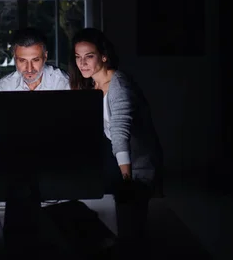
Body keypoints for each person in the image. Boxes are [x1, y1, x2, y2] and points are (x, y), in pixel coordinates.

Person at [69, 28, 163, 249]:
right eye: (77, 57)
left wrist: (126, 182)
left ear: (103, 56)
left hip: (136, 167)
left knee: (133, 234)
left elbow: (120, 133)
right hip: (113, 161)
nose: (82, 63)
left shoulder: (119, 84)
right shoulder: (93, 85)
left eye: (88, 56)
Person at [0, 27, 70, 91]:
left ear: (45, 57)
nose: (29, 69)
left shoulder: (63, 83)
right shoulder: (4, 87)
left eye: (35, 60)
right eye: (22, 60)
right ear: (14, 58)